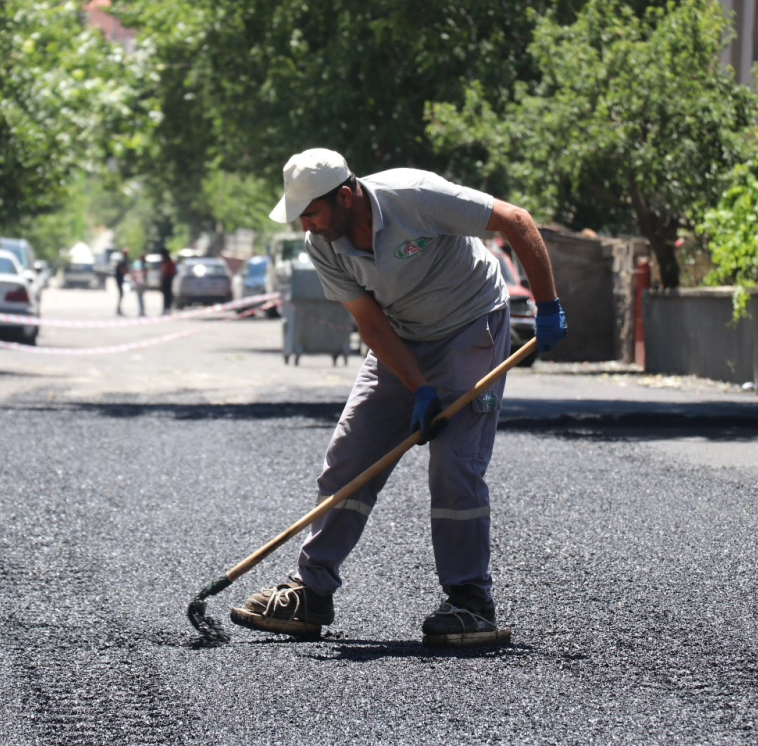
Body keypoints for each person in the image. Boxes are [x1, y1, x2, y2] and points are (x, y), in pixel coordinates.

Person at [230, 148, 568, 646]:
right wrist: (419, 387)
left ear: (345, 195)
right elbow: (370, 322)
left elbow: (516, 221)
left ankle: (471, 602)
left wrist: (548, 306)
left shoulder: (415, 196)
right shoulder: (322, 243)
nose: (306, 223)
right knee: (348, 459)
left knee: (454, 465)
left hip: (471, 324)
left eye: (312, 210)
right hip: (401, 335)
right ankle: (312, 591)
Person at [159, 250, 177, 314]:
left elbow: (164, 272)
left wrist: (161, 281)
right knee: (169, 295)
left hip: (167, 279)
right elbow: (175, 271)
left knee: (166, 295)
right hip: (170, 279)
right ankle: (168, 308)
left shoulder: (165, 262)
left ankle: (166, 308)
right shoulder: (171, 262)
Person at [114, 248, 130, 316]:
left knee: (121, 294)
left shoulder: (123, 260)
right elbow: (121, 269)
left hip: (121, 279)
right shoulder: (122, 260)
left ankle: (119, 308)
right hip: (119, 279)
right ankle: (118, 309)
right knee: (121, 294)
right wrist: (127, 273)